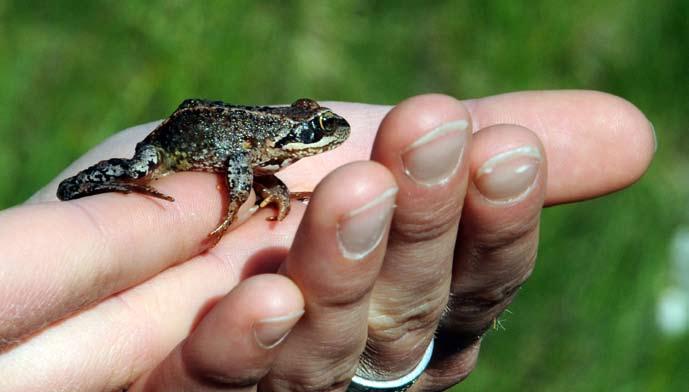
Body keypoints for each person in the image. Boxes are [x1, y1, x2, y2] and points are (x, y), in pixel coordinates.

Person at [0, 92, 655, 391]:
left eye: (314, 130)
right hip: (175, 144)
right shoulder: (259, 144)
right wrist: (231, 215)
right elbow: (235, 166)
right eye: (312, 134)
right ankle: (103, 185)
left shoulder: (272, 151)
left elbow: (256, 169)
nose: (321, 139)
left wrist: (273, 192)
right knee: (138, 171)